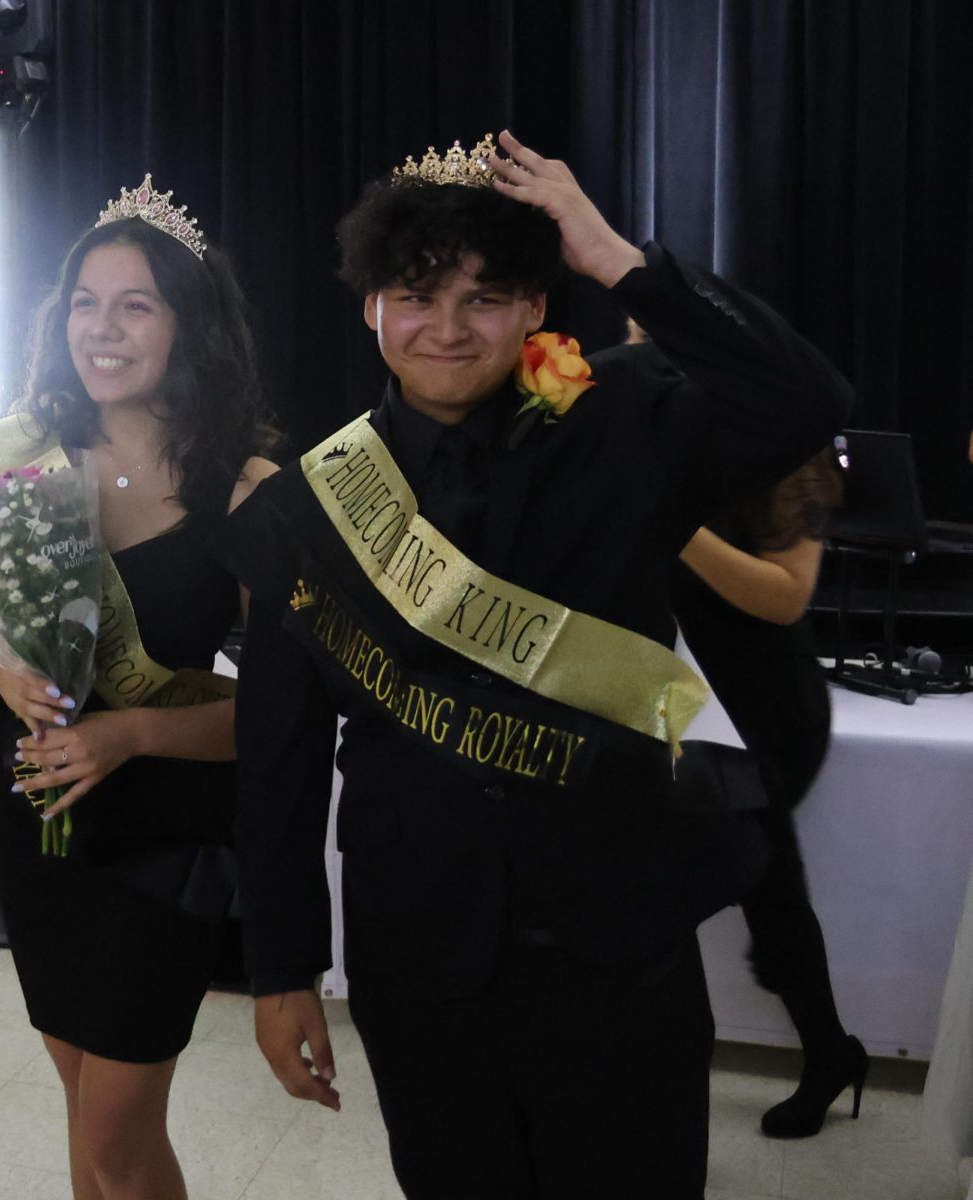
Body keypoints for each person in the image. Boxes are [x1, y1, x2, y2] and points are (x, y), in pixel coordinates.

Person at [225, 130, 851, 1198]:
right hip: (418, 958)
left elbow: (806, 402)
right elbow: (277, 762)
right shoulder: (304, 510)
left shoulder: (632, 422)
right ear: (371, 305)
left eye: (487, 298)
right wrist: (281, 973)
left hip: (619, 946)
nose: (448, 330)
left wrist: (619, 257)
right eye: (416, 297)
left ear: (536, 309)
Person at [0, 177, 277, 1200]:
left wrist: (130, 735)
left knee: (119, 1136)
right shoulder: (26, 456)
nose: (104, 328)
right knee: (87, 1125)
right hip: (39, 827)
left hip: (168, 841)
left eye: (137, 304)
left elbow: (285, 716)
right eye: (86, 302)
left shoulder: (249, 492)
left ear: (188, 322)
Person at [673, 447, 868, 1138]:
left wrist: (673, 524)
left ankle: (825, 1055)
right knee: (755, 891)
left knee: (761, 888)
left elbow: (788, 595)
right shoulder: (640, 418)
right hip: (679, 697)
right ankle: (829, 1053)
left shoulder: (786, 447)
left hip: (765, 707)